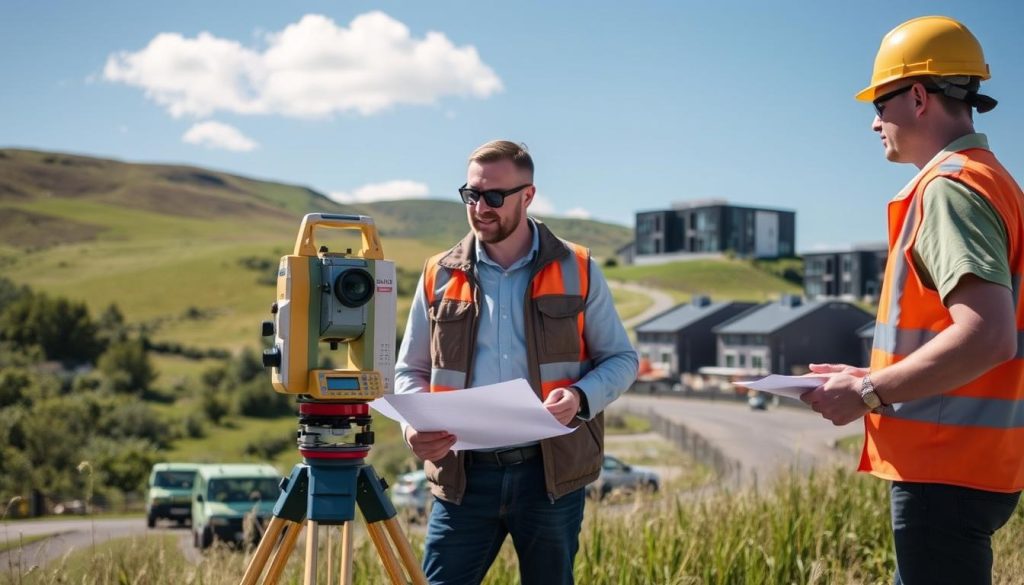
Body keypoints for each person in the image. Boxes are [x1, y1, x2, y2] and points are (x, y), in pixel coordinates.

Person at [801, 16, 1024, 585]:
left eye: (880, 103)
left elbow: (987, 335)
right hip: (969, 466)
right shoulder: (991, 179)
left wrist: (869, 392)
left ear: (919, 96)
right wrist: (870, 372)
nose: (875, 122)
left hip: (944, 470)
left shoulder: (950, 189)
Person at [394, 139, 638, 585]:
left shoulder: (578, 267)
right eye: (471, 195)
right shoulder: (438, 273)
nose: (480, 208)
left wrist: (582, 397)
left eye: (493, 196)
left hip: (549, 476)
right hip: (462, 479)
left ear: (528, 196)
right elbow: (410, 370)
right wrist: (412, 426)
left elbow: (622, 359)